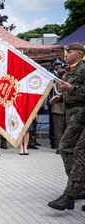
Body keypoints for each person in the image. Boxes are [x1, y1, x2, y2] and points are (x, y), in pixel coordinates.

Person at [47, 42, 85, 210]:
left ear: (79, 54)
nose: (66, 55)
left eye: (69, 52)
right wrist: (61, 97)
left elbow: (80, 91)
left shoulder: (83, 69)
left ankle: (71, 192)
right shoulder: (70, 71)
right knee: (69, 149)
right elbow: (73, 92)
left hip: (80, 114)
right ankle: (77, 187)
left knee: (71, 149)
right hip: (73, 114)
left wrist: (70, 88)